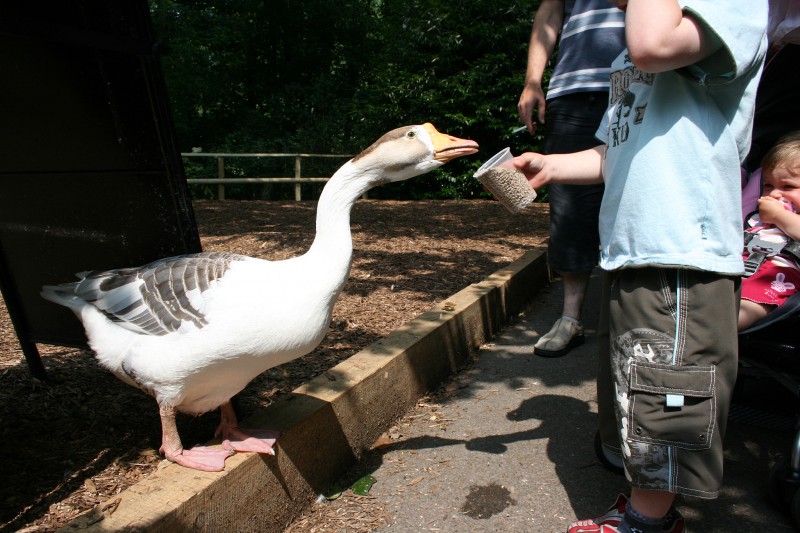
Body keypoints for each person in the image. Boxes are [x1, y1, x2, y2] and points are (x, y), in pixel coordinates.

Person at [511, 1, 768, 532]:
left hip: (681, 250)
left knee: (668, 386)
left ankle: (649, 522)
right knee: (636, 378)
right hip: (631, 248)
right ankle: (643, 495)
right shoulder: (630, 53)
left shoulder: (729, 8)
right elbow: (613, 151)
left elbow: (654, 45)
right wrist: (552, 166)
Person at [517, 0, 625, 357]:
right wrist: (533, 80)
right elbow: (550, 13)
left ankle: (633, 317)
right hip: (570, 91)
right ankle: (571, 317)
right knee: (569, 208)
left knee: (633, 197)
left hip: (640, 83)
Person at [739, 131, 800, 331]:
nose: (774, 193)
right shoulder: (757, 213)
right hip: (738, 265)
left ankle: (720, 329)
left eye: (787, 186)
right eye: (767, 185)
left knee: (751, 304)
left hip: (778, 274)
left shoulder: (777, 213)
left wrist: (778, 217)